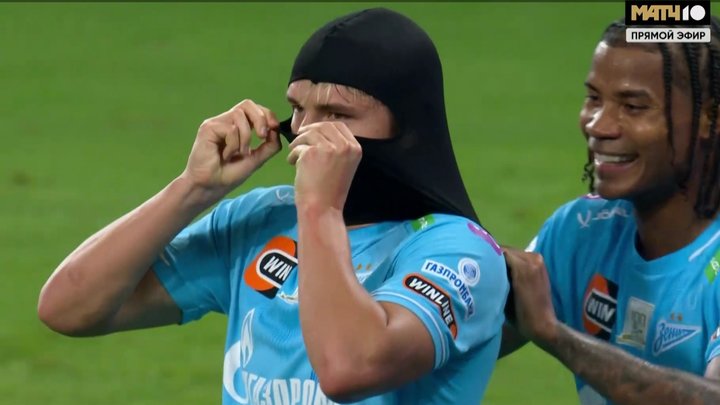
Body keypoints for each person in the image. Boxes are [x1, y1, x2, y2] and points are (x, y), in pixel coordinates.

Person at [38, 8, 509, 405]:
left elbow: (347, 368)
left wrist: (320, 209)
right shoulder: (262, 221)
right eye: (299, 109)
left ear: (406, 130)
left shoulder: (459, 253)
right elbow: (68, 308)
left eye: (338, 114)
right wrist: (192, 190)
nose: (305, 132)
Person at [502, 16, 720, 405]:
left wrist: (556, 336)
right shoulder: (580, 231)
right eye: (593, 99)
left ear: (710, 119)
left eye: (633, 106)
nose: (598, 125)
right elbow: (446, 340)